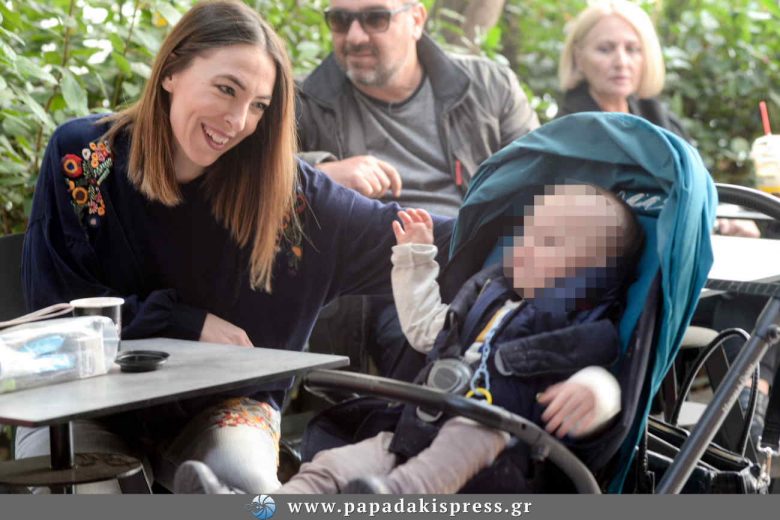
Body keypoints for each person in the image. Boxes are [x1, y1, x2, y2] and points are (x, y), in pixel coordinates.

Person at [18, 0, 449, 494]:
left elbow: (441, 236)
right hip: (83, 403)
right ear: (172, 71)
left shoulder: (291, 199)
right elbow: (59, 315)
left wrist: (520, 218)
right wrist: (184, 323)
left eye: (259, 105)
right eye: (227, 89)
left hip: (224, 408)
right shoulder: (84, 159)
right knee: (87, 496)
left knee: (250, 490)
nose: (238, 120)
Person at [175, 184, 640, 494]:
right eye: (526, 233)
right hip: (415, 432)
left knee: (468, 436)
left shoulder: (584, 329)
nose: (524, 246)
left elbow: (607, 381)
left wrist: (595, 393)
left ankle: (389, 498)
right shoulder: (490, 301)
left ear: (592, 273)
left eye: (549, 242)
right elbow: (425, 329)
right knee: (328, 468)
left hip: (498, 458)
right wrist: (416, 257)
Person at [557, 0, 771, 449]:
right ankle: (746, 433)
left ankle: (752, 428)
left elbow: (700, 193)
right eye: (606, 48)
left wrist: (725, 220)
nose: (621, 60)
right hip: (632, 288)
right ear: (578, 57)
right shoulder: (574, 131)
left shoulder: (656, 116)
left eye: (632, 48)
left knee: (765, 298)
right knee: (751, 307)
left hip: (689, 275)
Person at [298, 0, 540, 379]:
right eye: (340, 20)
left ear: (416, 20)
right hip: (386, 278)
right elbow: (247, 174)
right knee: (431, 357)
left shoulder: (490, 87)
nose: (355, 36)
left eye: (375, 18)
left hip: (486, 261)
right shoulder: (303, 101)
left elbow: (543, 181)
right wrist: (319, 172)